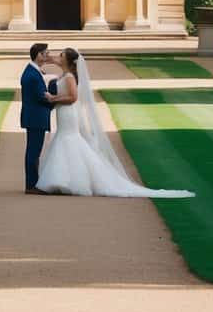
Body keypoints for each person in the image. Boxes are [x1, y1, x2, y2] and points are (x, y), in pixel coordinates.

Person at [35, 47, 195, 199]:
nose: (59, 57)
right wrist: (46, 59)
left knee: (69, 140)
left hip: (68, 112)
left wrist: (53, 98)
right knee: (64, 139)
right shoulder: (65, 74)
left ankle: (71, 181)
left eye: (62, 55)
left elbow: (73, 98)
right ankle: (63, 179)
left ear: (68, 61)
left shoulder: (69, 77)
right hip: (63, 112)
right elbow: (56, 62)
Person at [19, 42, 55, 194]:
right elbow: (42, 97)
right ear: (38, 55)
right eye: (45, 53)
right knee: (34, 152)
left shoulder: (33, 71)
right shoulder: (32, 75)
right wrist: (56, 100)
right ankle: (31, 185)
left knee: (33, 151)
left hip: (34, 117)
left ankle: (32, 183)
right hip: (35, 118)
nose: (47, 56)